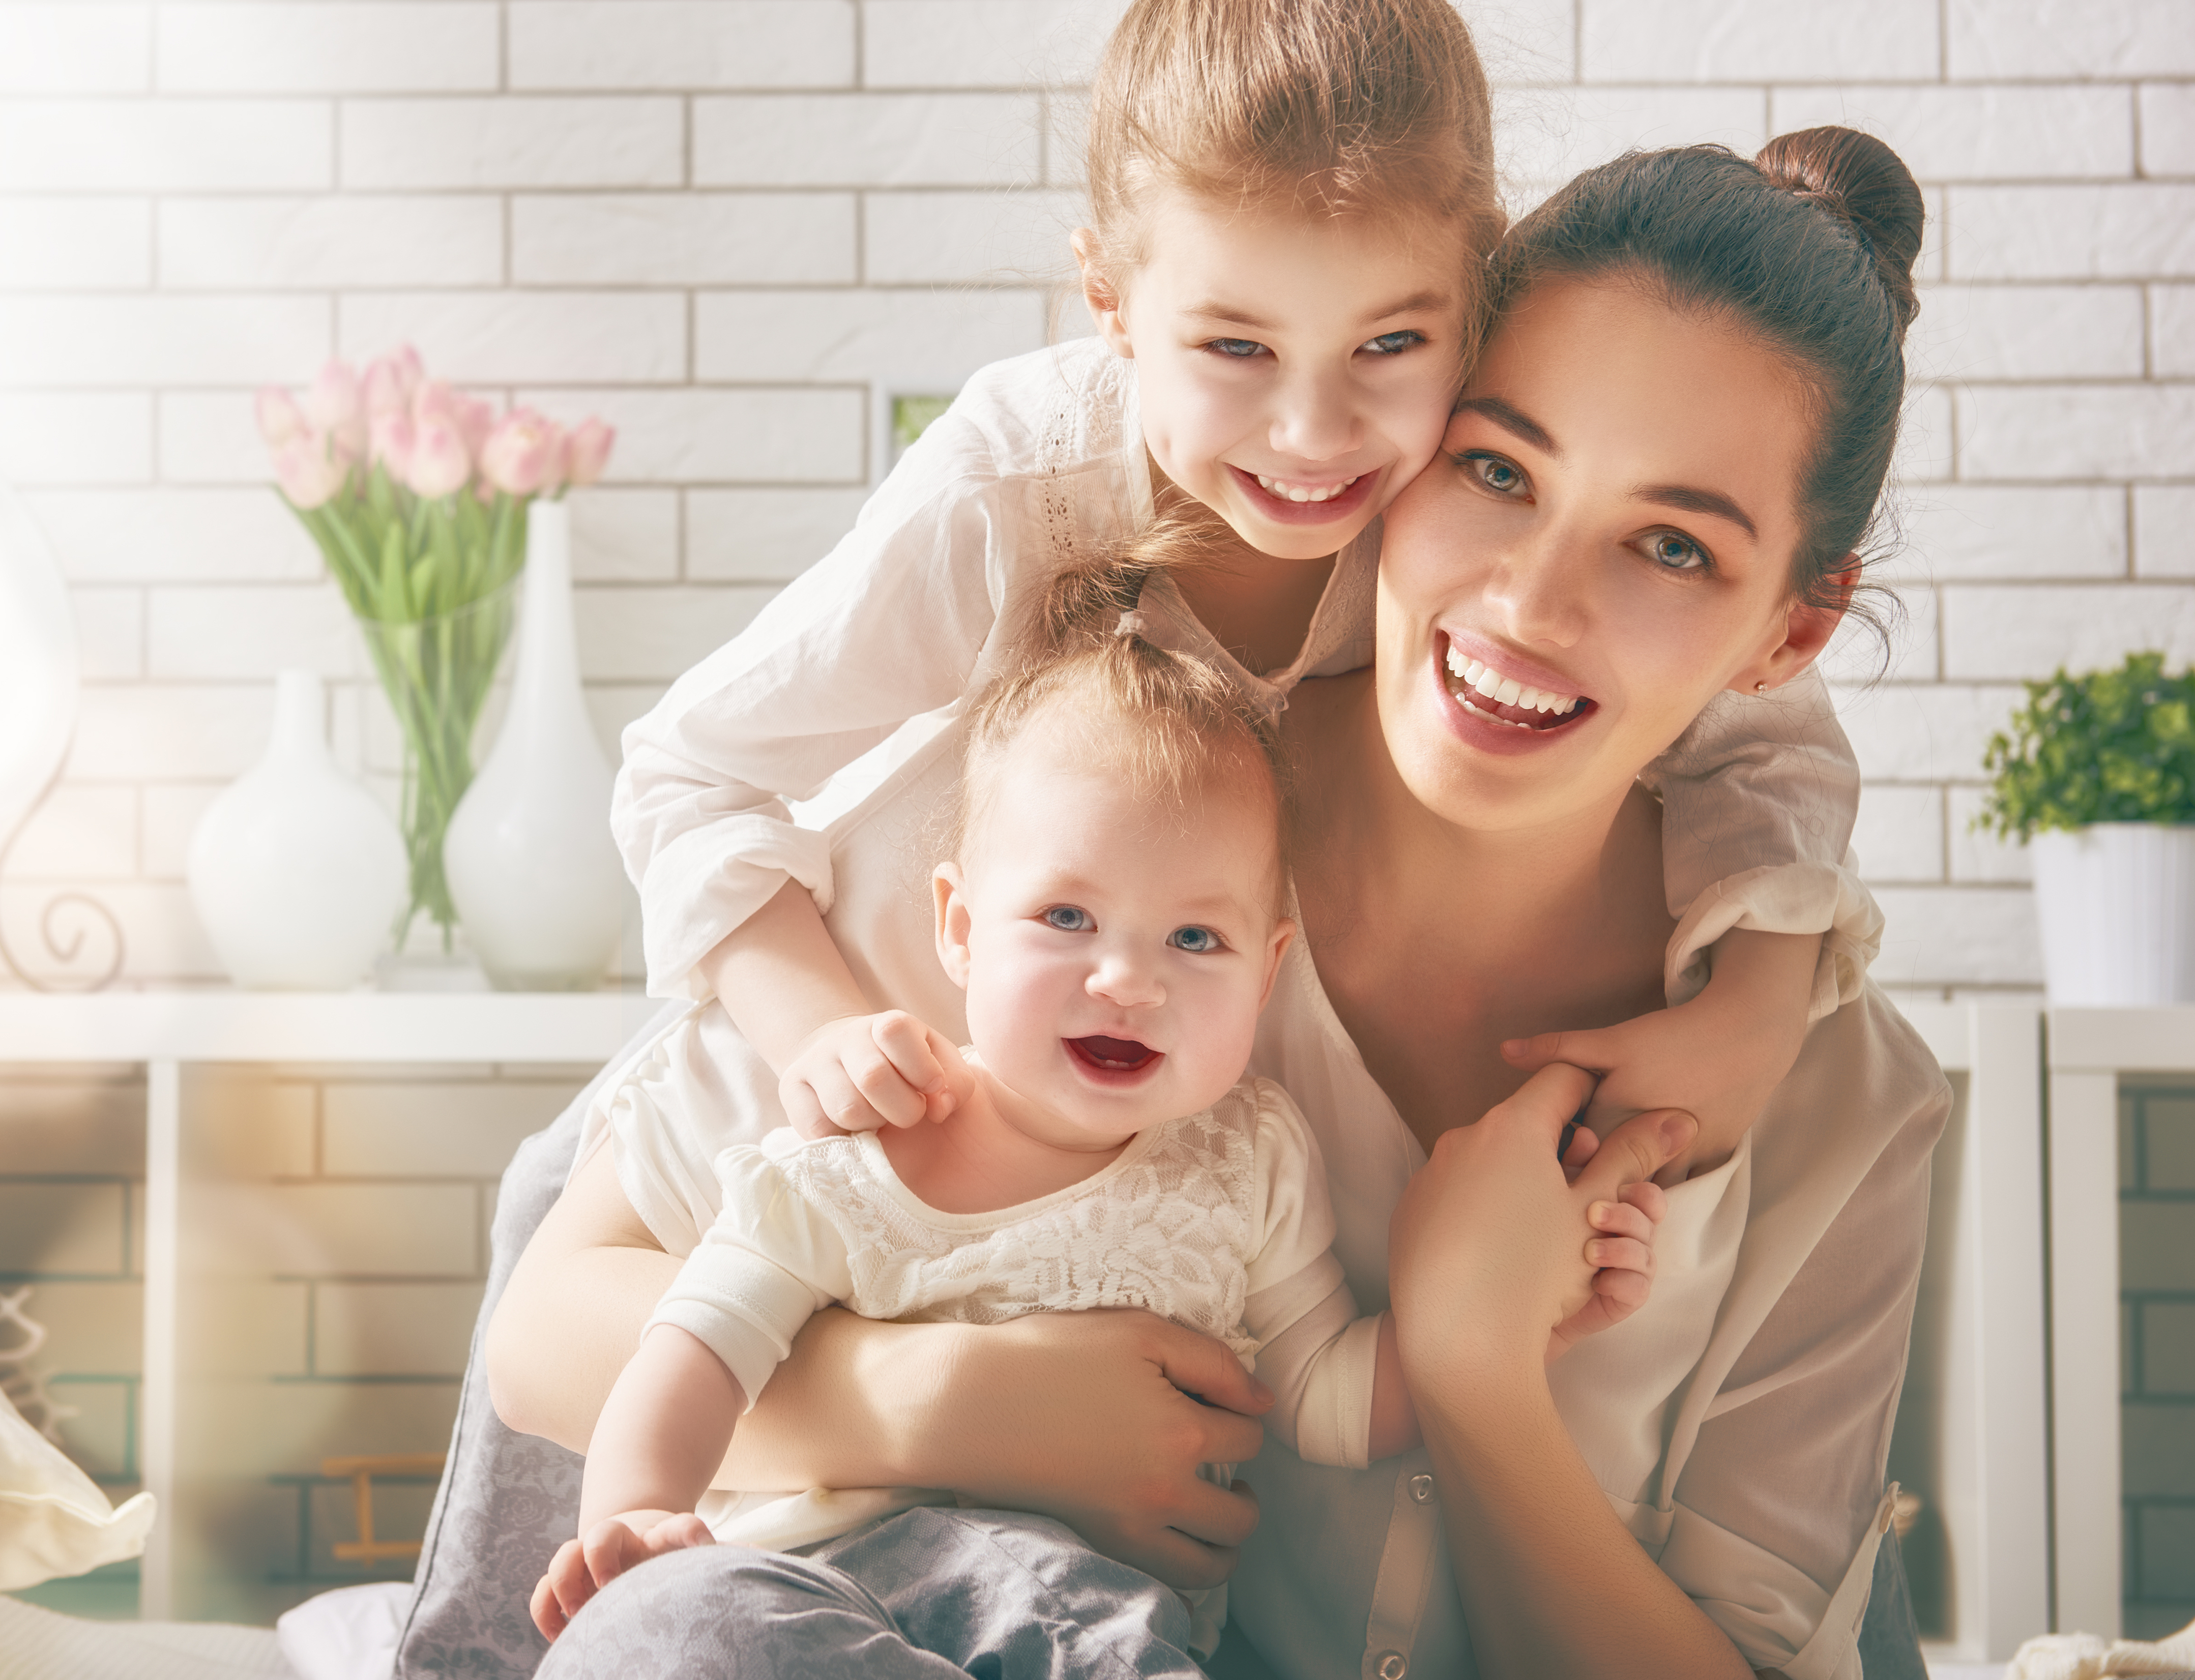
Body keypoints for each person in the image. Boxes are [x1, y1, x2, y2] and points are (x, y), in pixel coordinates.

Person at [490, 124, 1946, 1680]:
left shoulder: (1837, 1101)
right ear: (1392, 455)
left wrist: (1471, 1372)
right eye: (1497, 469)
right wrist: (951, 1396)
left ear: (1791, 634)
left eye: (1672, 544)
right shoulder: (1101, 861)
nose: (1532, 601)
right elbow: (555, 1316)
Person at [526, 595, 1665, 1667]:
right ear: (960, 929)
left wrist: (1519, 1328)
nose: (1126, 980)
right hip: (825, 1588)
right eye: (1066, 917)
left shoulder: (1246, 1164)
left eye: (1194, 940)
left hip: (1083, 1624)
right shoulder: (863, 1147)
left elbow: (1320, 1390)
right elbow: (696, 1350)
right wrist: (633, 1521)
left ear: (1267, 971)